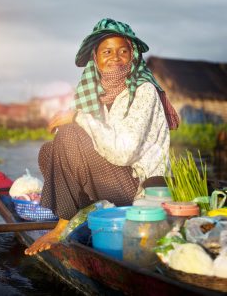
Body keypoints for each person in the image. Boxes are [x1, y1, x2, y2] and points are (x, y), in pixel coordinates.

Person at [25, 18, 179, 256]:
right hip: (115, 180)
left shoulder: (143, 90)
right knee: (50, 150)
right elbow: (80, 145)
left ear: (133, 56)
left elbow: (123, 152)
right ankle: (83, 211)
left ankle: (62, 227)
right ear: (96, 59)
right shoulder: (98, 94)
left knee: (69, 132)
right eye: (107, 51)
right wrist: (74, 127)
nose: (115, 57)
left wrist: (78, 118)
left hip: (140, 189)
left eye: (122, 51)